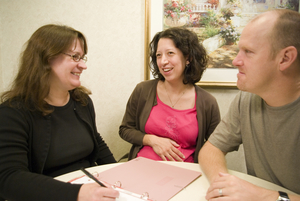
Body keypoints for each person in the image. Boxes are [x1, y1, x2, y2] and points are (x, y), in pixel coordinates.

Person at [0, 24, 119, 201]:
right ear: (47, 58)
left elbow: (97, 142)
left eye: (83, 57)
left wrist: (120, 175)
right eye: (75, 57)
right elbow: (9, 178)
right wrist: (78, 194)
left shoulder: (82, 102)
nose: (83, 65)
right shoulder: (12, 113)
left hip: (90, 187)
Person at [198, 9, 300, 201]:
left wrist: (263, 196)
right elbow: (211, 150)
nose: (236, 60)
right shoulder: (247, 99)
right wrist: (224, 187)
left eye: (248, 52)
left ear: (285, 58)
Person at [119, 27, 220, 163]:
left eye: (170, 53)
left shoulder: (207, 102)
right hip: (142, 168)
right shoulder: (143, 90)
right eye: (158, 55)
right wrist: (152, 140)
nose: (163, 61)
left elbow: (217, 145)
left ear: (188, 58)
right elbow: (125, 129)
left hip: (185, 175)